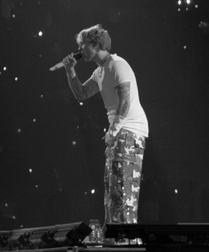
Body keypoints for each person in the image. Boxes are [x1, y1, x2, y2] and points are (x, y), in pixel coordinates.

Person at [56, 25, 148, 230]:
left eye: (82, 44)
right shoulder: (100, 71)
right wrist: (70, 71)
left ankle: (127, 239)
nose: (79, 49)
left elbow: (125, 100)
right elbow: (81, 94)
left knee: (123, 191)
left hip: (129, 131)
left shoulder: (117, 64)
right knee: (113, 190)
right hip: (119, 133)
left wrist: (113, 131)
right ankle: (116, 237)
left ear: (95, 44)